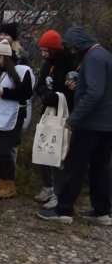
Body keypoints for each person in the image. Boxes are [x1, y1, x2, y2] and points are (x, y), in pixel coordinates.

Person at [39, 26, 112, 225]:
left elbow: (95, 93)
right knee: (100, 167)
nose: (70, 50)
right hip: (106, 124)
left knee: (74, 166)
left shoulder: (93, 58)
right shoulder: (104, 55)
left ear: (78, 43)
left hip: (90, 123)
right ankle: (102, 211)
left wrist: (75, 118)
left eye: (71, 46)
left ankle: (63, 210)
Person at [0, 40, 33, 200]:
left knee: (5, 151)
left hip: (12, 116)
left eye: (0, 58)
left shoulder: (21, 71)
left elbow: (25, 93)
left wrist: (5, 93)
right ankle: (1, 182)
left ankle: (10, 184)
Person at [32, 29, 75, 209]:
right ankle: (47, 186)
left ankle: (59, 192)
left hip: (63, 113)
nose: (43, 54)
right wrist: (44, 94)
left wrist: (57, 97)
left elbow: (71, 91)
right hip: (47, 111)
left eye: (45, 50)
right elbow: (39, 84)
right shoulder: (47, 64)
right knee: (43, 147)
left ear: (54, 49)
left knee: (58, 153)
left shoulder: (69, 64)